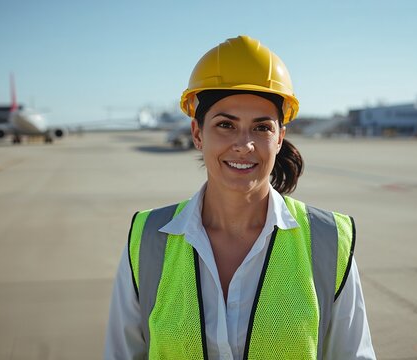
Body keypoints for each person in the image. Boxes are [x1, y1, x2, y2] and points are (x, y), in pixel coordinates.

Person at [105, 35, 376, 360]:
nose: (244, 144)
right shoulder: (147, 240)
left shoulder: (328, 240)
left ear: (279, 138)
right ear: (197, 133)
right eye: (225, 125)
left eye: (261, 128)